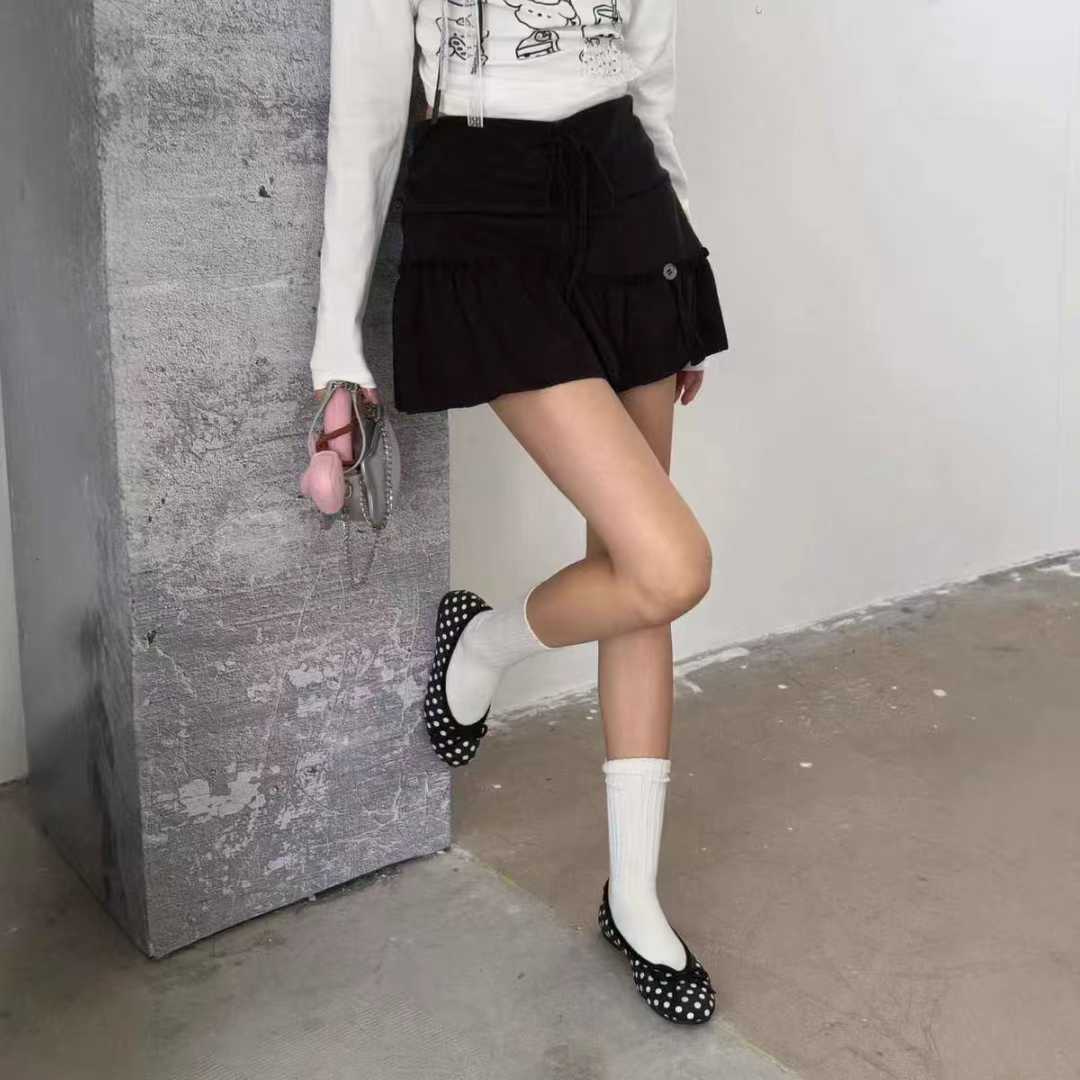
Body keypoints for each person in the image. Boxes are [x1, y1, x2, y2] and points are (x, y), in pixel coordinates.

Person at [309, 0, 728, 1026]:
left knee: (639, 574)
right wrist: (335, 343)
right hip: (483, 205)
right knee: (667, 563)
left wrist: (683, 256)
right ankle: (484, 647)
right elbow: (367, 118)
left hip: (626, 198)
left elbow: (649, 70)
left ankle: (634, 896)